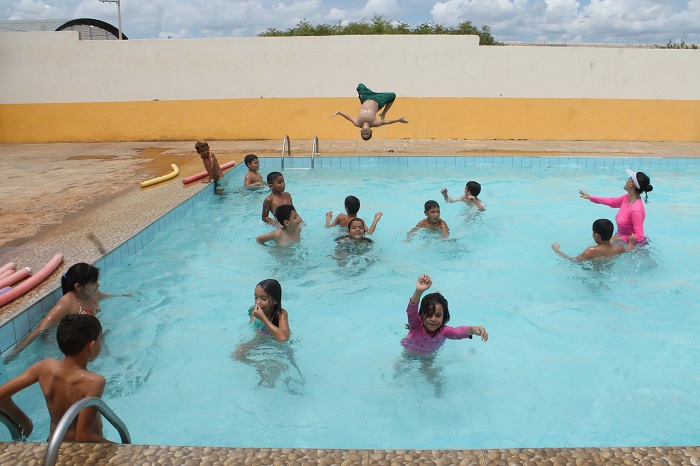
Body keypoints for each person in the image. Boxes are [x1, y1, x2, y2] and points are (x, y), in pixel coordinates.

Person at [0, 314, 111, 443]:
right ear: (91, 346)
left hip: (54, 444)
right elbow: (83, 436)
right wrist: (123, 448)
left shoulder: (44, 367)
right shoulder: (94, 382)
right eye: (100, 339)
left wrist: (23, 420)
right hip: (83, 451)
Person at [6, 263, 124, 361]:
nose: (98, 285)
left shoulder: (93, 294)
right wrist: (15, 353)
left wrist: (125, 295)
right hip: (71, 345)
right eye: (94, 283)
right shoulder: (67, 304)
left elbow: (106, 296)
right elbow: (41, 327)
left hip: (89, 338)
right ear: (78, 287)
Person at [233, 280, 303, 392]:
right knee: (237, 355)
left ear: (275, 300)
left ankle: (291, 377)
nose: (258, 302)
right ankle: (260, 366)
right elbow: (252, 327)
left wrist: (263, 318)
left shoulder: (281, 314)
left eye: (263, 299)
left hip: (278, 345)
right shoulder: (253, 311)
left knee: (291, 367)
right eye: (256, 297)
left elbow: (283, 338)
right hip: (260, 340)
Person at [401, 274, 488, 356]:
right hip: (409, 353)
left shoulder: (444, 331)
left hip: (428, 357)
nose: (433, 319)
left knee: (431, 371)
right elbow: (411, 310)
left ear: (444, 317)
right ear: (422, 315)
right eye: (429, 314)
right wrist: (418, 291)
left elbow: (457, 332)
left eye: (438, 315)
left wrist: (472, 329)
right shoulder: (416, 325)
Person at [579, 169, 653, 244]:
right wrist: (590, 197)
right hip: (619, 240)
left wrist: (619, 238)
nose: (626, 181)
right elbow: (611, 202)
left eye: (628, 179)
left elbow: (640, 237)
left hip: (633, 246)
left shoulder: (636, 210)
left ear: (631, 184)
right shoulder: (626, 198)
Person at [331, 83, 408, 141]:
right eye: (367, 133)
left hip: (365, 98)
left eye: (363, 133)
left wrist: (339, 112)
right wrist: (398, 120)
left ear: (361, 131)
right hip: (378, 100)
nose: (365, 132)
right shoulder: (374, 123)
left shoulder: (357, 123)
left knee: (360, 86)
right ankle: (383, 113)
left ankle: (370, 92)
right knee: (392, 95)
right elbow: (386, 122)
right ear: (371, 131)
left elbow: (349, 117)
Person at [552, 219, 633, 261]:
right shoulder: (618, 248)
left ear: (597, 235)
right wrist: (631, 242)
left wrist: (557, 250)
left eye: (593, 232)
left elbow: (574, 261)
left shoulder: (591, 251)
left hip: (593, 274)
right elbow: (629, 249)